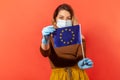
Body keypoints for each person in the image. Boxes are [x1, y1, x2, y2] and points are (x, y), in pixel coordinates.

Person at [40, 3, 93, 80]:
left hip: (78, 76)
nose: (65, 21)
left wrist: (82, 64)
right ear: (55, 19)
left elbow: (81, 59)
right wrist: (45, 39)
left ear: (72, 20)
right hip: (59, 77)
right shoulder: (49, 36)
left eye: (68, 18)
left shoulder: (79, 37)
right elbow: (45, 53)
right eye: (61, 17)